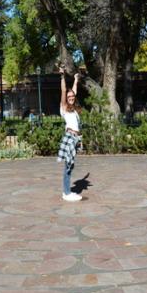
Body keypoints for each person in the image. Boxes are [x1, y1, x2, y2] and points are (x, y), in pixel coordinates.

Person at [57, 67, 83, 202]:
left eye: (72, 96)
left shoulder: (74, 110)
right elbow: (64, 91)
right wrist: (62, 77)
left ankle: (67, 191)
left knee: (71, 165)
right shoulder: (64, 109)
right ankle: (66, 192)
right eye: (69, 97)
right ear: (66, 99)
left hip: (75, 138)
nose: (71, 97)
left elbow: (74, 90)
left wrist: (76, 80)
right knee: (68, 166)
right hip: (69, 137)